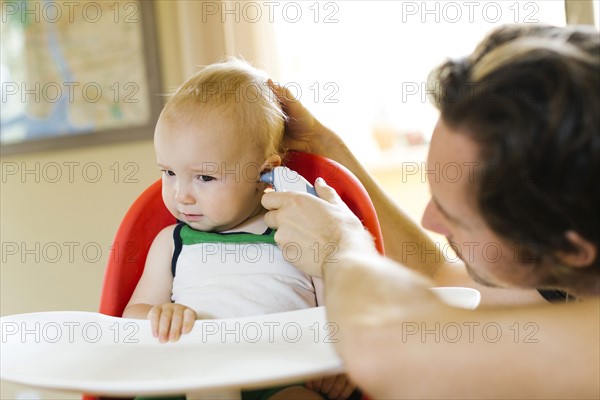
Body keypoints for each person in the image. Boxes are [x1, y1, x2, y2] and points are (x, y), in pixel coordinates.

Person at [261, 24, 600, 398]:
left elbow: (391, 350)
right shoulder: (579, 261)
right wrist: (324, 146)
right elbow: (439, 277)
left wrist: (338, 246)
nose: (430, 221)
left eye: (457, 219)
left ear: (570, 250)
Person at [122, 59, 358, 400]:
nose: (180, 194)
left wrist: (342, 363)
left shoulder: (297, 233)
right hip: (189, 375)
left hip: (281, 377)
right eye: (169, 172)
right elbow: (131, 319)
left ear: (263, 173)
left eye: (204, 177)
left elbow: (340, 313)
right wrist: (159, 316)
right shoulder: (171, 244)